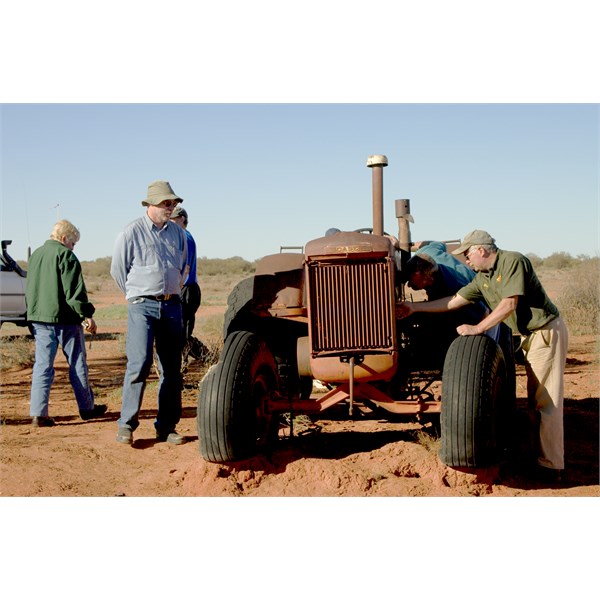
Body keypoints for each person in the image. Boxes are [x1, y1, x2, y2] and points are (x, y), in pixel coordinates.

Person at [397, 230, 568, 482]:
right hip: (528, 335)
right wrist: (413, 308)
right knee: (536, 399)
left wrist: (478, 328)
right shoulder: (482, 278)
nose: (466, 261)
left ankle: (550, 467)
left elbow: (509, 303)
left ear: (481, 249)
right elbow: (454, 301)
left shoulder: (513, 261)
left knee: (547, 401)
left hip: (544, 332)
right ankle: (534, 455)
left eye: (467, 254)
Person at [110, 180, 188, 446]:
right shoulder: (131, 232)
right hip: (141, 305)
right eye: (167, 203)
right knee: (139, 363)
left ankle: (166, 427)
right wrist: (135, 295)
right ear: (152, 204)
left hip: (171, 305)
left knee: (171, 368)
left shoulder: (177, 234)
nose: (172, 207)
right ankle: (126, 425)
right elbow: (118, 270)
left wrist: (171, 290)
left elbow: (183, 267)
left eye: (173, 203)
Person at [26, 220, 107, 427]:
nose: (73, 247)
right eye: (73, 243)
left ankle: (38, 413)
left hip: (40, 319)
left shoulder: (36, 255)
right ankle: (86, 408)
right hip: (66, 320)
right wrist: (86, 314)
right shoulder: (65, 255)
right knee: (77, 363)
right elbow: (74, 293)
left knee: (43, 366)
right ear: (64, 239)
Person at [169, 205, 202, 365]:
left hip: (186, 288)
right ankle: (208, 358)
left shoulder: (184, 237)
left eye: (173, 218)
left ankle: (205, 359)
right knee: (180, 331)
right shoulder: (181, 236)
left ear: (181, 218)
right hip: (184, 288)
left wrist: (177, 286)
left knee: (183, 333)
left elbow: (185, 267)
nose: (170, 221)